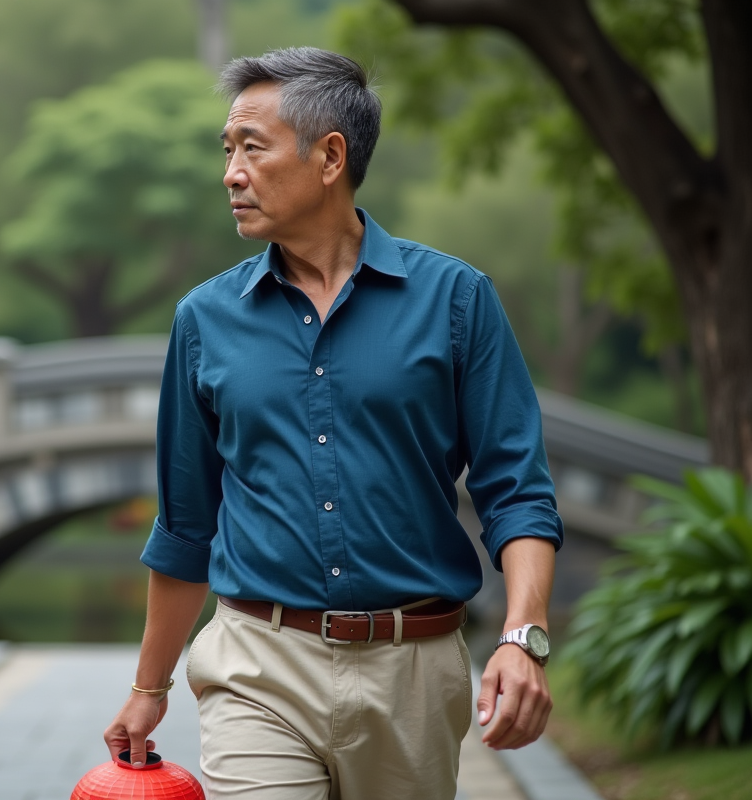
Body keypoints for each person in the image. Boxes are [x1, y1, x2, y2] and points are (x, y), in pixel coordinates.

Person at [103, 47, 562, 800]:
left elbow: (517, 491)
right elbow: (187, 525)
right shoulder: (205, 321)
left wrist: (522, 638)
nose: (231, 173)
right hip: (258, 663)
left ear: (330, 157)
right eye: (227, 151)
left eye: (252, 147)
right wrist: (149, 689)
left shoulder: (456, 301)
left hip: (415, 670)